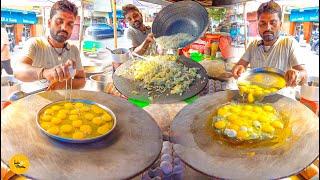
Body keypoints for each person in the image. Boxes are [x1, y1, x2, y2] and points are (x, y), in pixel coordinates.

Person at [232, 0, 307, 88]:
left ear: (280, 25)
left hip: (281, 99)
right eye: (262, 23)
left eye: (273, 23)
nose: (268, 28)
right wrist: (238, 68)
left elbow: (304, 76)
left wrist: (297, 75)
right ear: (258, 26)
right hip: (256, 98)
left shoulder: (289, 43)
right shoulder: (253, 45)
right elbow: (239, 66)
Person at [13, 0, 85, 90]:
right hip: (35, 102)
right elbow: (17, 71)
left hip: (63, 103)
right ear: (49, 23)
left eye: (70, 24)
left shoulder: (73, 50)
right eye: (59, 21)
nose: (64, 28)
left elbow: (82, 80)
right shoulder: (36, 44)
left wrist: (64, 82)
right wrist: (45, 73)